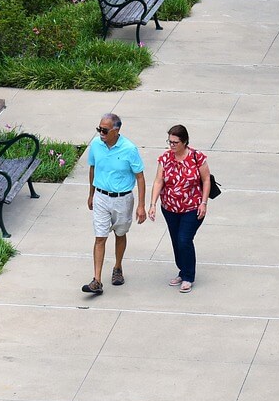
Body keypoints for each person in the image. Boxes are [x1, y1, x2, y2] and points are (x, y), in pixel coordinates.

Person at [83, 113, 146, 294]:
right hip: (101, 197)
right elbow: (92, 168)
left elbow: (140, 177)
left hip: (123, 199)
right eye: (99, 129)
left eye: (104, 130)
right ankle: (96, 280)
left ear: (116, 130)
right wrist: (91, 194)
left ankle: (117, 267)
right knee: (100, 237)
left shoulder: (129, 149)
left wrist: (141, 205)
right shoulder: (96, 145)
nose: (101, 133)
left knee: (120, 233)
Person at [147, 124, 210, 293]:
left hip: (192, 207)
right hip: (170, 208)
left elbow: (206, 180)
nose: (172, 145)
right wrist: (152, 204)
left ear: (184, 142)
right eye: (170, 141)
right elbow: (159, 181)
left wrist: (203, 202)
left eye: (175, 142)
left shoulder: (197, 157)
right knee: (176, 240)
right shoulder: (165, 159)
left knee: (184, 239)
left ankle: (189, 275)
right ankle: (182, 270)